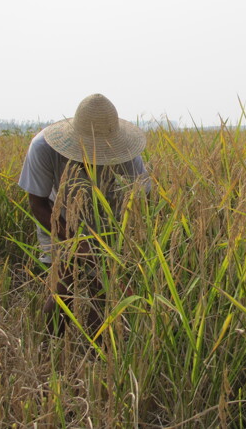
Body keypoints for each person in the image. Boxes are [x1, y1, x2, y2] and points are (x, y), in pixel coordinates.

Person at [18, 93, 150, 337]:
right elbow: (37, 203)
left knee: (104, 290)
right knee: (65, 283)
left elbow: (143, 200)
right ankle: (49, 350)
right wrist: (77, 243)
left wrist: (119, 247)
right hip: (57, 216)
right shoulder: (43, 148)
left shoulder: (126, 152)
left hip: (108, 217)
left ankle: (102, 353)